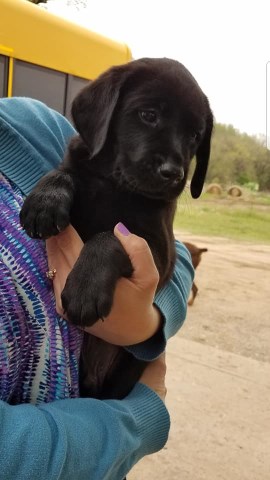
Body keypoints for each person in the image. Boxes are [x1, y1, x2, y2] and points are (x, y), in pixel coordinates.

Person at [0, 96, 194, 479]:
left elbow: (175, 251)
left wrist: (145, 320)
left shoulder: (29, 126)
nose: (175, 160)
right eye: (150, 115)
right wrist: (130, 423)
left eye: (192, 139)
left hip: (113, 376)